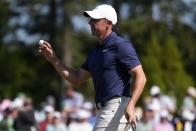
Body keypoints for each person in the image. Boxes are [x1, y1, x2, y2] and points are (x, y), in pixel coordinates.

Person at [38, 4, 146, 131]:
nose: (90, 22)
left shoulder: (120, 46)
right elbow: (76, 78)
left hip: (116, 107)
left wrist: (131, 105)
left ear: (108, 23)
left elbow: (141, 76)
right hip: (105, 109)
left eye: (95, 20)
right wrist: (54, 59)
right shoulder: (95, 52)